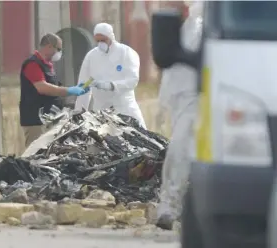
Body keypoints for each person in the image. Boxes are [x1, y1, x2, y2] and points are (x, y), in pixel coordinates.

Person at [155, 2, 203, 230]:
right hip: (183, 99)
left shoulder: (201, 27)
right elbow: (170, 68)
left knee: (182, 150)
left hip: (202, 96)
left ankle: (172, 206)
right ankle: (172, 206)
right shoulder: (184, 30)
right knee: (180, 150)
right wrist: (163, 103)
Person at [19, 33, 89, 148]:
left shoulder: (48, 66)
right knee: (35, 153)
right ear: (49, 46)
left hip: (49, 118)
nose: (59, 53)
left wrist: (76, 88)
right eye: (59, 49)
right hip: (36, 120)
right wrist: (70, 90)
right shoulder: (33, 64)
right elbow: (42, 87)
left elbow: (54, 86)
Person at [74, 23, 146, 129]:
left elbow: (132, 80)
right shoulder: (91, 56)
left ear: (111, 37)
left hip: (124, 108)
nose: (100, 44)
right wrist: (79, 112)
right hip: (101, 112)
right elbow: (84, 87)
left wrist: (110, 85)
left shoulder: (126, 53)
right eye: (97, 41)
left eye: (103, 40)